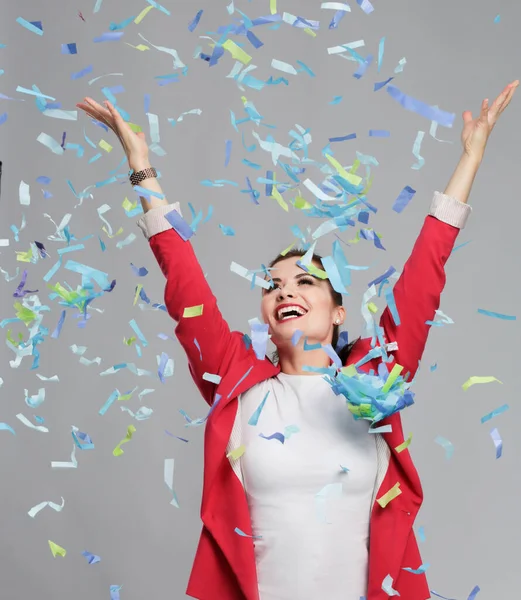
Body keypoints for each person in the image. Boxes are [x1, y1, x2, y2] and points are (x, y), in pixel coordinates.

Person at [77, 80, 517, 600]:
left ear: (338, 312)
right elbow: (186, 287)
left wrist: (469, 160)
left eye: (305, 281)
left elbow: (423, 281)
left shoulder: (373, 382)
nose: (286, 290)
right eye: (272, 285)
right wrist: (142, 167)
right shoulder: (237, 385)